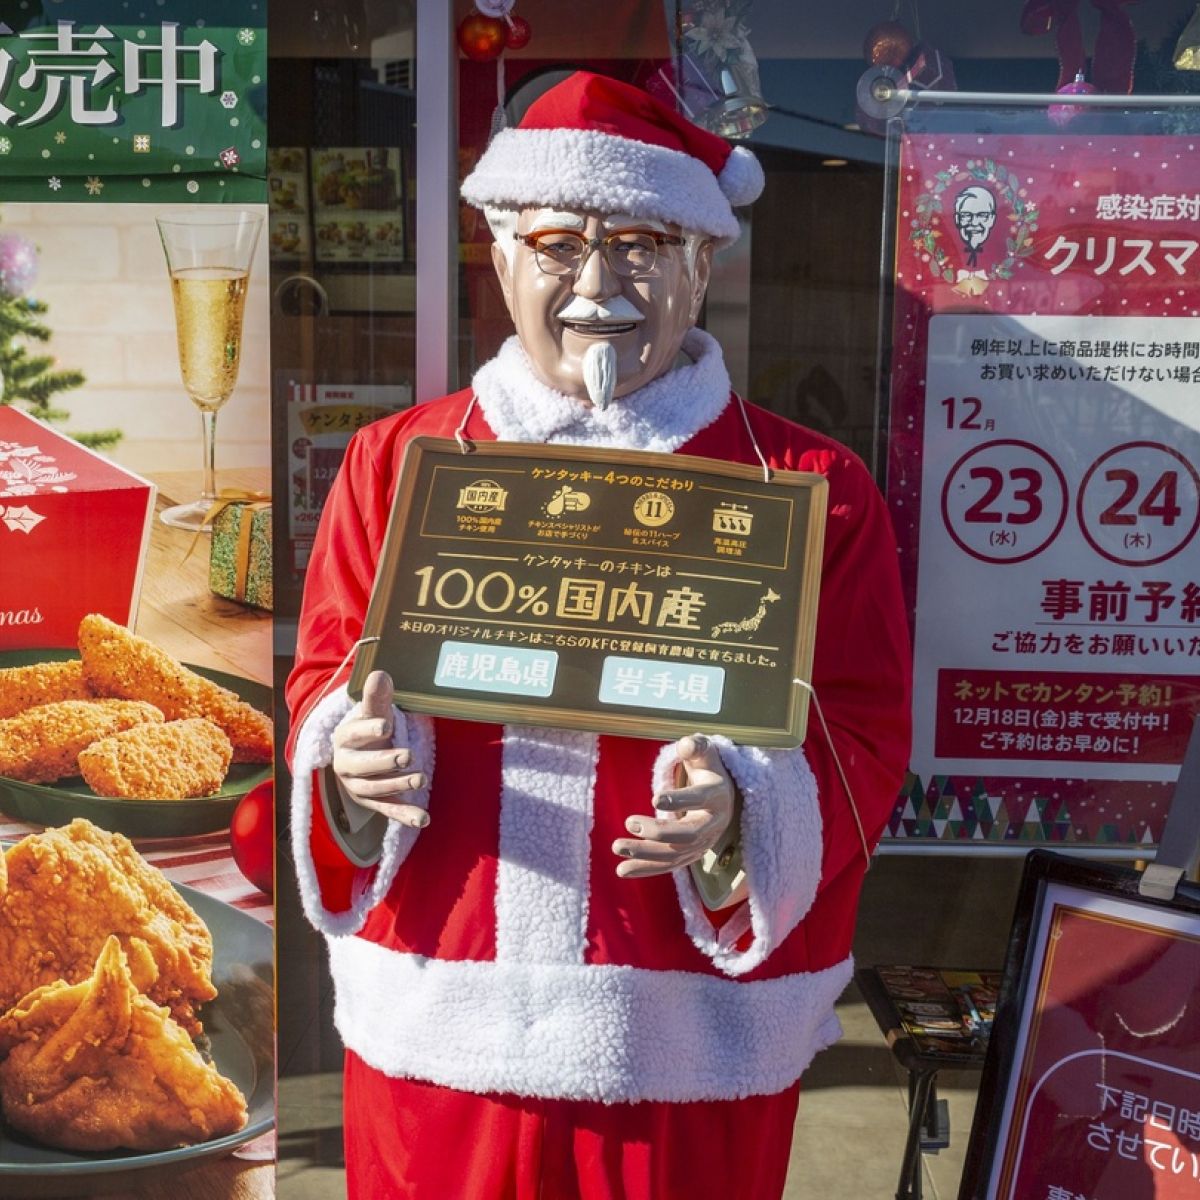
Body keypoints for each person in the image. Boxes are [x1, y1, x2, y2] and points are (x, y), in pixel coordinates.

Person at [286, 70, 911, 1200]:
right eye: (558, 244)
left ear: (704, 264)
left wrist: (744, 811)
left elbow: (862, 734)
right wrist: (345, 763)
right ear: (501, 257)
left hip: (686, 1048)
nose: (595, 285)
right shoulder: (398, 462)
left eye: (639, 243)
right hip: (443, 1029)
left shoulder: (812, 485)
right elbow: (327, 677)